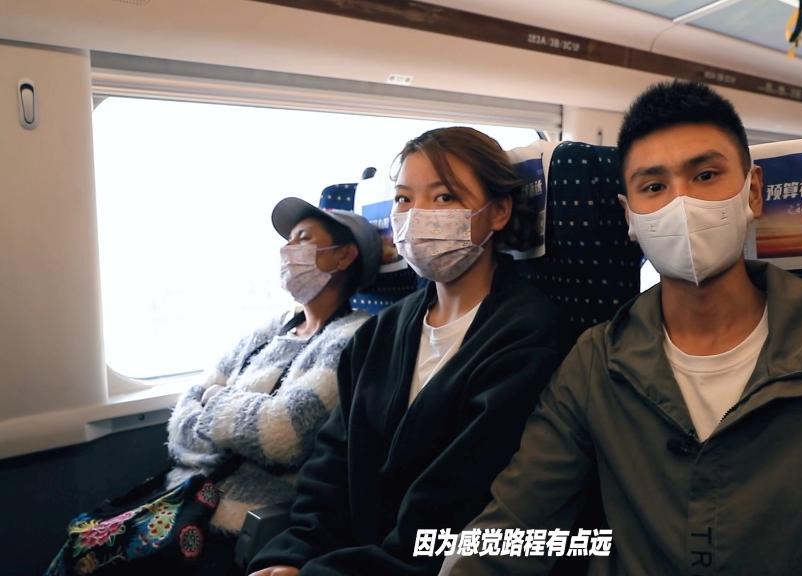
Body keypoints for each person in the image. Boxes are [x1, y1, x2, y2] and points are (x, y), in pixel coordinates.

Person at [441, 81, 802, 575]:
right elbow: (515, 525)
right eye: (654, 186)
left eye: (706, 176)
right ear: (630, 217)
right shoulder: (596, 360)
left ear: (753, 192)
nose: (682, 204)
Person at [247, 127, 567, 576]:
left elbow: (455, 503)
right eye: (403, 199)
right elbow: (332, 466)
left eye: (444, 197)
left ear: (497, 212)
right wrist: (291, 556)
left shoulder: (527, 333)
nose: (416, 216)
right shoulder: (379, 332)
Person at [165, 199, 381, 575]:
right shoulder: (271, 329)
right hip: (183, 505)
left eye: (303, 239)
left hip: (244, 524)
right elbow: (182, 419)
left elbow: (283, 432)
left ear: (344, 256)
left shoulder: (352, 337)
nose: (288, 250)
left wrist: (215, 404)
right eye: (288, 240)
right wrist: (235, 422)